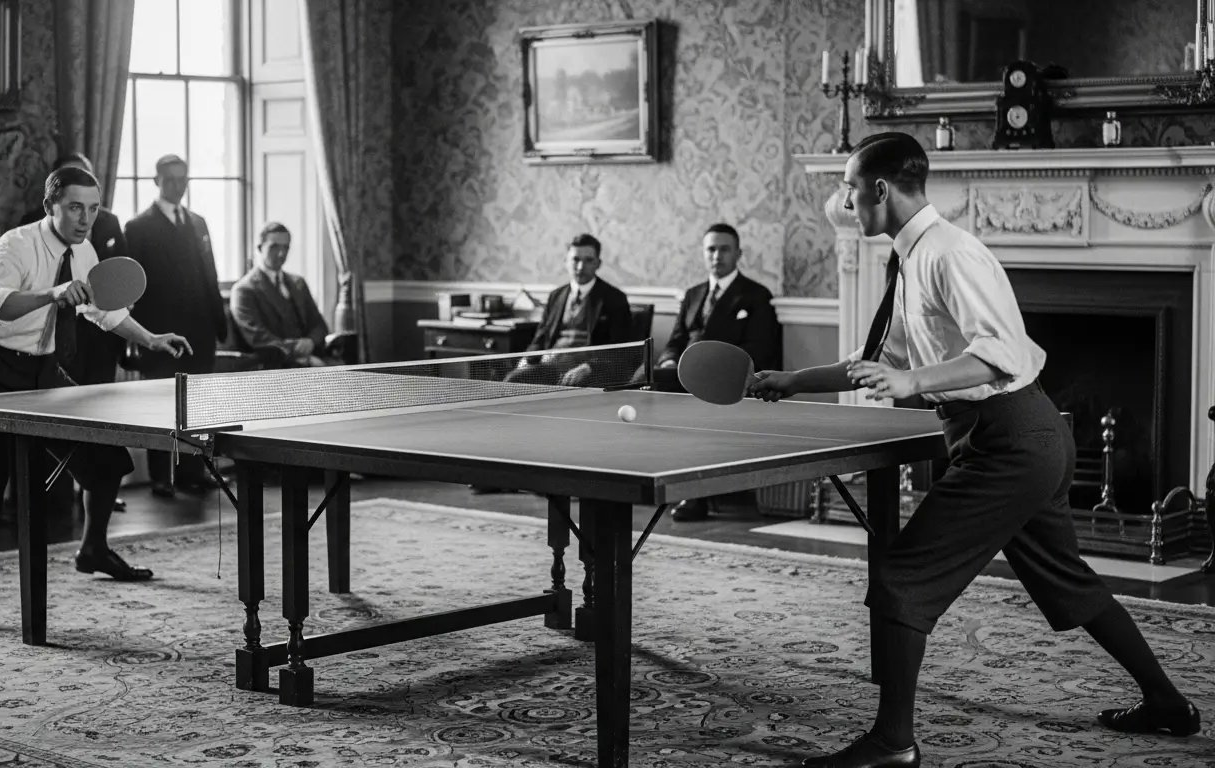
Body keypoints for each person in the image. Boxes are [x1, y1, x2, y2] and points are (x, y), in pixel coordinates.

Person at [746, 132, 1198, 768]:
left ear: (879, 189)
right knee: (1070, 581)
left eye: (849, 188)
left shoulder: (950, 254)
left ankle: (893, 744)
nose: (843, 200)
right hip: (1013, 437)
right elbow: (878, 361)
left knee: (902, 575)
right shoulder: (910, 258)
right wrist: (792, 382)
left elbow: (998, 355)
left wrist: (911, 384)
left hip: (1010, 440)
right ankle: (1166, 702)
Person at [0, 166, 192, 633]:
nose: (86, 218)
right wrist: (51, 293)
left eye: (94, 208)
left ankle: (93, 549)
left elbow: (104, 310)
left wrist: (150, 337)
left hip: (42, 370)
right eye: (75, 207)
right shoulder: (15, 245)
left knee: (105, 463)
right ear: (50, 207)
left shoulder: (82, 252)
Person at [655, 223, 783, 522]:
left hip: (726, 382)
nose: (717, 256)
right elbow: (674, 341)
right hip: (680, 377)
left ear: (738, 253)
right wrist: (668, 362)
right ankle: (652, 484)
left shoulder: (756, 296)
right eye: (711, 249)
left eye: (724, 249)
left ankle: (695, 494)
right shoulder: (692, 294)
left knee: (700, 408)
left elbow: (760, 351)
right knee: (648, 386)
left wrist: (712, 371)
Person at [124, 154, 226, 496]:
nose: (177, 186)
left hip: (199, 333)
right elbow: (134, 288)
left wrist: (218, 325)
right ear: (157, 181)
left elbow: (210, 277)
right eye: (170, 180)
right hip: (160, 335)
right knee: (161, 406)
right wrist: (143, 338)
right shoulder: (138, 227)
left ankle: (193, 472)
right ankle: (160, 477)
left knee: (196, 409)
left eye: (183, 180)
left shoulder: (198, 222)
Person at [19, 152, 129, 386]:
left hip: (101, 337)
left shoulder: (110, 221)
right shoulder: (31, 223)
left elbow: (122, 274)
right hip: (52, 337)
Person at [504, 233, 635, 387]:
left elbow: (620, 350)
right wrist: (526, 360)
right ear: (566, 261)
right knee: (512, 380)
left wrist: (589, 367)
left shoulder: (614, 298)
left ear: (598, 264)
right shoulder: (556, 296)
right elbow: (540, 338)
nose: (580, 267)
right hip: (549, 367)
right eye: (575, 260)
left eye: (588, 260)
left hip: (589, 370)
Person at [229, 222, 344, 368]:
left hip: (311, 358)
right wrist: (299, 355)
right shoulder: (244, 290)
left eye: (286, 247)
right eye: (274, 247)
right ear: (260, 248)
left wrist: (310, 342)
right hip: (272, 366)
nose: (281, 254)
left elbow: (319, 325)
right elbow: (257, 337)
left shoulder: (298, 284)